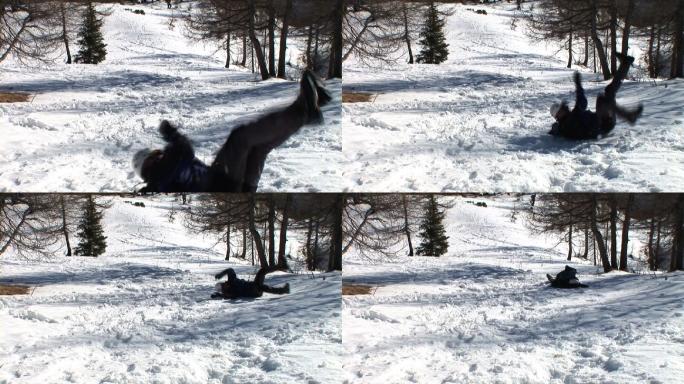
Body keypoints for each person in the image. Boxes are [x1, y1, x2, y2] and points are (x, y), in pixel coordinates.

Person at [132, 70, 332, 192]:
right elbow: (184, 151)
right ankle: (302, 112)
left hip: (231, 185)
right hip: (221, 184)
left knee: (258, 148)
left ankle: (305, 109)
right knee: (240, 138)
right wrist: (172, 135)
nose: (159, 154)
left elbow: (183, 154)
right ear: (147, 164)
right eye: (154, 155)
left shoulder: (162, 176)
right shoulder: (159, 175)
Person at [549, 53, 643, 140]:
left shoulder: (565, 122)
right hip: (602, 126)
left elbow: (582, 104)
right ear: (558, 115)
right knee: (602, 100)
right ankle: (629, 116)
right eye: (562, 109)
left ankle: (625, 64)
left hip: (602, 122)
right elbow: (581, 103)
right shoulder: (569, 121)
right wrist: (578, 85)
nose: (565, 108)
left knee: (608, 92)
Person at [211, 265, 290, 299]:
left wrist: (220, 274)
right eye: (222, 285)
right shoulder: (230, 291)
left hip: (254, 286)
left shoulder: (231, 281)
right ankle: (283, 290)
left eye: (222, 283)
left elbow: (230, 270)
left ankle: (282, 267)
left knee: (262, 272)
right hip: (253, 292)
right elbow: (232, 296)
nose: (224, 283)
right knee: (261, 285)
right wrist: (220, 295)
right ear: (222, 289)